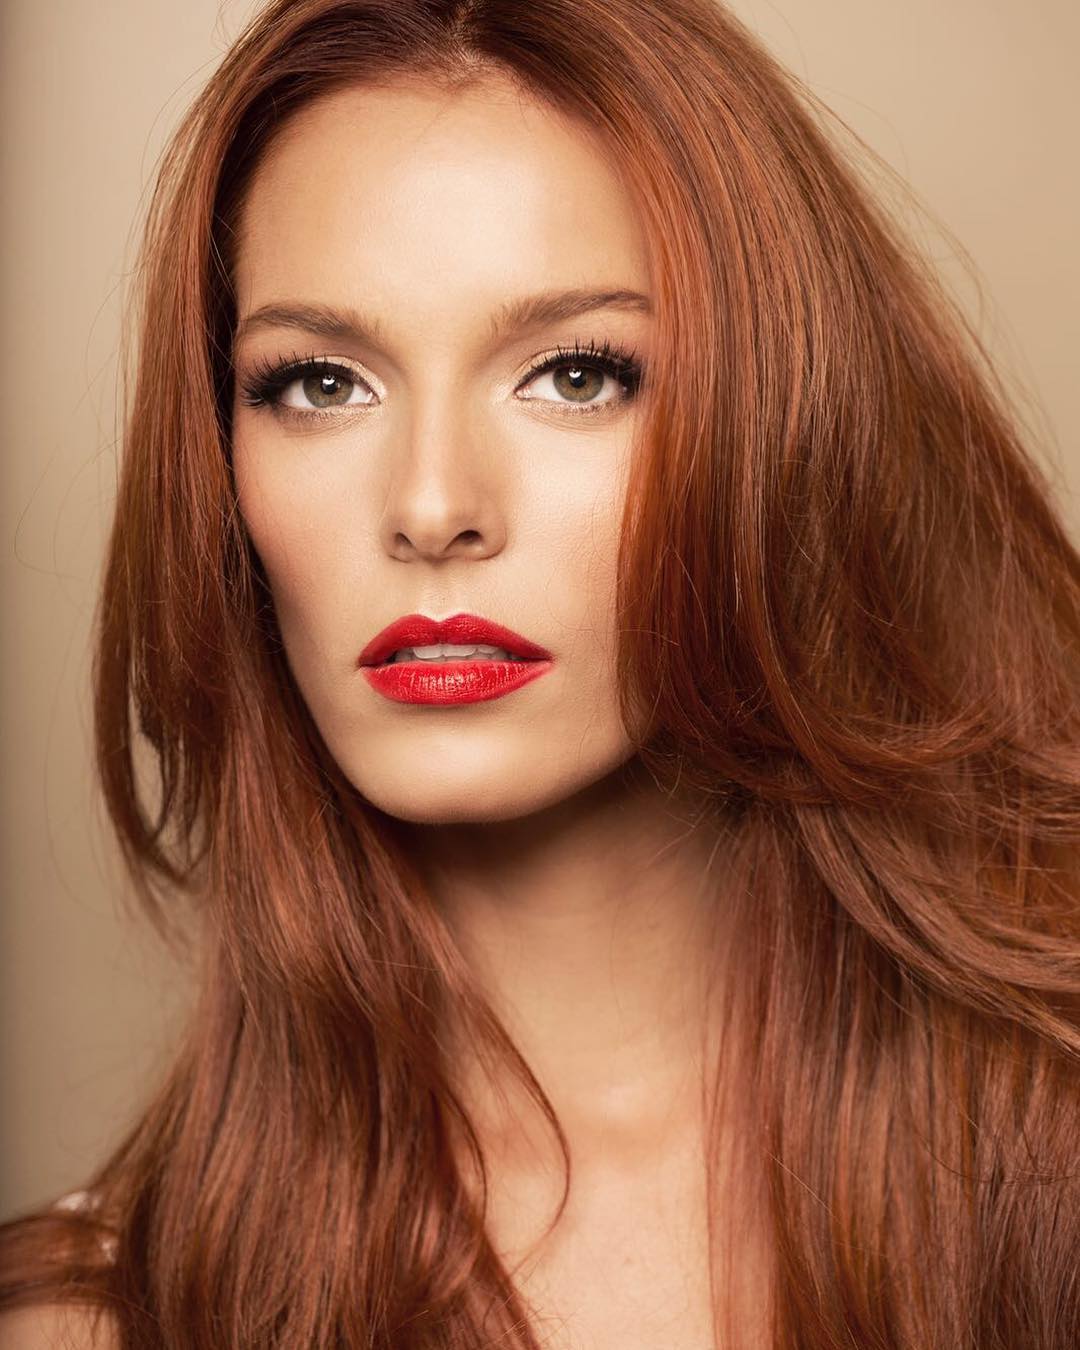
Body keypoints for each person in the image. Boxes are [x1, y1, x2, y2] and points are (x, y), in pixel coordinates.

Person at [2, 0, 1079, 1346]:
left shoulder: (1046, 1176)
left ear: (783, 427)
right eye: (322, 384)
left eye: (576, 374)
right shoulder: (96, 1321)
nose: (433, 505)